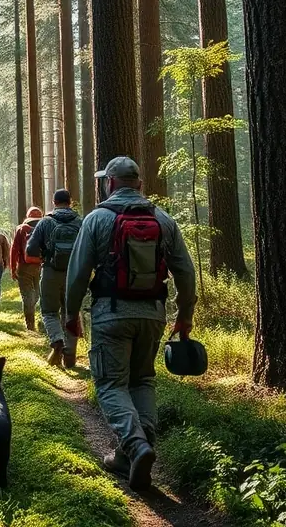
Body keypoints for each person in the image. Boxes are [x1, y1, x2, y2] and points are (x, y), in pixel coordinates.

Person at [66, 156, 197, 492]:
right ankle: (137, 450)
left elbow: (78, 272)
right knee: (142, 380)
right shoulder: (163, 219)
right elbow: (185, 271)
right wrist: (185, 315)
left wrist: (71, 314)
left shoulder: (97, 219)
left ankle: (136, 447)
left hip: (111, 314)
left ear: (109, 183)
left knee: (110, 384)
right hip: (153, 314)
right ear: (138, 183)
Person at [27, 189, 82, 368]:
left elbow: (30, 249)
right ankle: (70, 359)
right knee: (71, 314)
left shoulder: (45, 222)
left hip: (50, 271)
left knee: (50, 312)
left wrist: (44, 254)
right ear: (70, 201)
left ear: (53, 202)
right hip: (74, 274)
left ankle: (57, 340)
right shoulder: (80, 222)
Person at [10, 207, 43, 331]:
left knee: (27, 295)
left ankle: (30, 325)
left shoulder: (21, 228)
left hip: (24, 267)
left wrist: (13, 268)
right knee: (39, 294)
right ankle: (42, 321)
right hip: (41, 265)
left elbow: (14, 249)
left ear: (27, 216)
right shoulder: (46, 225)